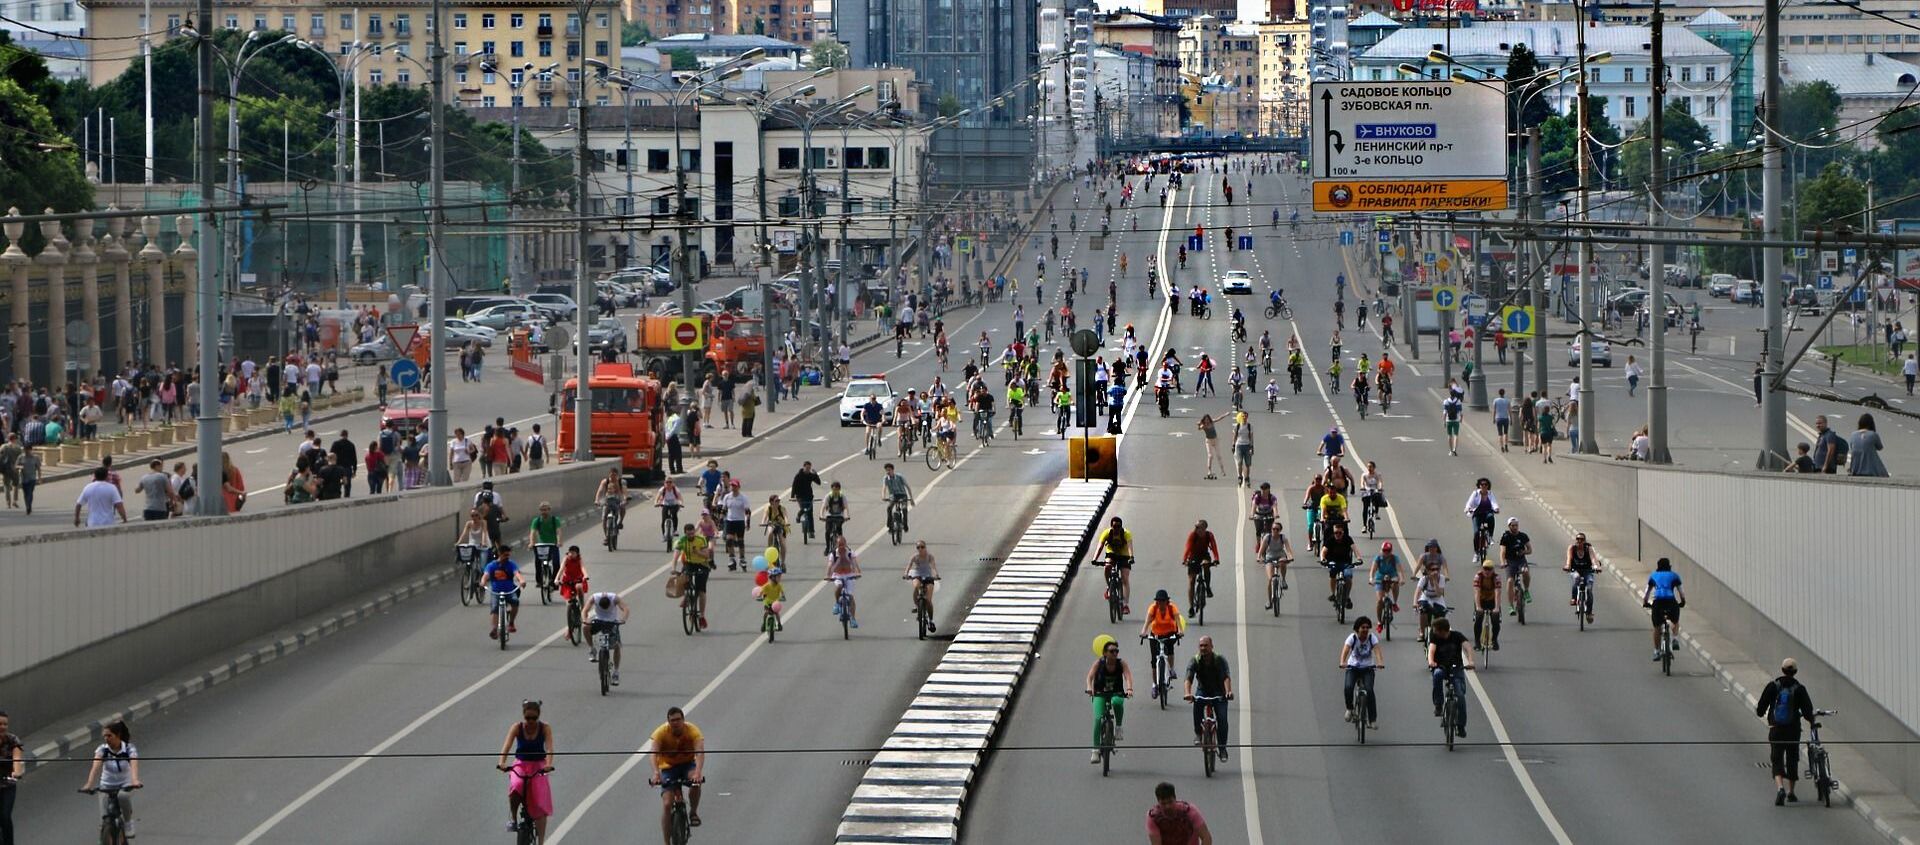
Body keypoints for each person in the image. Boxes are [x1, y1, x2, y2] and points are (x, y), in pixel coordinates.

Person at [1757, 658, 1817, 806]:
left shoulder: (1773, 686)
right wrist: (1812, 722)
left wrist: (1767, 714)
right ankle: (1791, 792)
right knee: (1792, 758)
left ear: (1782, 670)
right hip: (1793, 729)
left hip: (1776, 728)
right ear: (1795, 672)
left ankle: (1780, 788)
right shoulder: (1799, 688)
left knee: (1776, 758)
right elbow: (1808, 711)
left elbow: (1760, 709)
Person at [496, 700, 555, 841]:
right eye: (528, 718)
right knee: (516, 786)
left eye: (534, 718)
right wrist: (502, 763)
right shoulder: (517, 728)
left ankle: (541, 841)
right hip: (521, 765)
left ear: (538, 717)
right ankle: (514, 819)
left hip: (539, 766)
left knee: (541, 803)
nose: (531, 721)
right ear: (523, 716)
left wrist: (548, 764)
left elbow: (549, 748)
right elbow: (507, 746)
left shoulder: (545, 728)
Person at [649, 707, 706, 835]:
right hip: (668, 768)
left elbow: (700, 752)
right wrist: (656, 773)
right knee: (667, 804)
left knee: (696, 782)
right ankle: (666, 843)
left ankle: (693, 812)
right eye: (672, 720)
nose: (676, 723)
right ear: (668, 722)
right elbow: (653, 754)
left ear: (683, 720)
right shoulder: (661, 733)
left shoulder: (692, 731)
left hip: (687, 765)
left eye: (678, 720)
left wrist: (698, 772)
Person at [79, 719, 140, 840]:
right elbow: (95, 767)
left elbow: (134, 764)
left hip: (126, 784)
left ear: (118, 735)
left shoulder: (129, 749)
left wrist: (134, 781)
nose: (106, 739)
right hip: (106, 785)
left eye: (109, 736)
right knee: (105, 819)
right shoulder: (102, 750)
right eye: (104, 736)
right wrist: (89, 784)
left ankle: (128, 823)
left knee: (123, 797)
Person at [1183, 636, 1234, 760]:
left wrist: (1228, 692)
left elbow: (1226, 677)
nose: (1203, 648)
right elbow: (1188, 678)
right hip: (1203, 690)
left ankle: (1222, 749)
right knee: (1197, 706)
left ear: (1212, 646)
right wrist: (1187, 693)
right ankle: (1199, 734)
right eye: (1201, 646)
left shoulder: (1219, 660)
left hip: (1219, 692)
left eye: (1206, 645)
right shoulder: (1195, 660)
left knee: (1222, 719)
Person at [1085, 638, 1135, 763]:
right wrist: (1089, 688)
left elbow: (1128, 676)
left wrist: (1129, 689)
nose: (1115, 654)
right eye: (1112, 651)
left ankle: (1118, 727)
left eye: (1116, 651)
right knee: (1097, 719)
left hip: (1116, 693)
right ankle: (1095, 751)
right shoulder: (1099, 663)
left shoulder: (1121, 663)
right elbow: (1090, 676)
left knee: (1117, 703)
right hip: (1100, 694)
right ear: (1105, 653)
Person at [1426, 616, 1473, 736]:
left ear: (1442, 630)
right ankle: (1438, 704)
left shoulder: (1457, 636)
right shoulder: (1435, 637)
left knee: (1461, 697)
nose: (1434, 631)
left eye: (1435, 629)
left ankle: (1461, 726)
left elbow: (1467, 647)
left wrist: (1471, 661)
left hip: (1456, 667)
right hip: (1441, 666)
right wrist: (1431, 661)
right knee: (1437, 675)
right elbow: (1431, 650)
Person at [1339, 616, 1385, 727]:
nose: (1365, 630)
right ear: (1357, 629)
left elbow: (1377, 651)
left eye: (1367, 627)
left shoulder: (1371, 638)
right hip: (1353, 667)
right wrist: (1342, 662)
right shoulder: (1352, 638)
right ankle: (1349, 709)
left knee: (1369, 690)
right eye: (1362, 627)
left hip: (1368, 668)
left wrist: (1380, 662)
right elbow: (1345, 650)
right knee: (1348, 687)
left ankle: (1372, 719)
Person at [1640, 557, 1686, 661]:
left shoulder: (1653, 576)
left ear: (1658, 566)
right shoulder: (1674, 576)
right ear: (1669, 566)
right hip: (1670, 601)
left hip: (1658, 603)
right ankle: (1674, 639)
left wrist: (1645, 602)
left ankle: (1656, 651)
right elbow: (1681, 591)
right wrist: (1682, 601)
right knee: (1675, 620)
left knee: (1657, 627)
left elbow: (1647, 592)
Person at [673, 523, 714, 630]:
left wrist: (698, 552)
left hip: (702, 564)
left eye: (692, 533)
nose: (691, 535)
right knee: (682, 578)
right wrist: (673, 568)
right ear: (685, 533)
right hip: (690, 563)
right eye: (688, 533)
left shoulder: (701, 539)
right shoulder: (682, 540)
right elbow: (676, 555)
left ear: (694, 532)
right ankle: (687, 597)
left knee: (701, 591)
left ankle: (702, 616)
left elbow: (707, 555)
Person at [1090, 516, 1136, 612]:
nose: (1116, 528)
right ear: (1111, 526)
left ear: (1121, 527)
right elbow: (1100, 547)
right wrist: (1094, 559)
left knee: (1125, 578)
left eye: (1118, 526)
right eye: (1114, 526)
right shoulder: (1107, 533)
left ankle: (1125, 605)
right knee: (1107, 567)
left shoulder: (1126, 534)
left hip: (1124, 554)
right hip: (1111, 553)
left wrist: (1131, 557)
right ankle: (1109, 587)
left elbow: (1130, 546)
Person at [1146, 782, 1213, 845]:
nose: (1167, 806)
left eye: (1170, 802)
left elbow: (1206, 837)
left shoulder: (1190, 812)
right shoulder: (1153, 818)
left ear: (1175, 799)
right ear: (1158, 802)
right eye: (1163, 803)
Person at [585, 591, 630, 684]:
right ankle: (592, 649)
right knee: (585, 628)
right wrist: (585, 620)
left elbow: (625, 608)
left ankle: (616, 672)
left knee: (616, 645)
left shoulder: (614, 598)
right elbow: (584, 610)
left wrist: (623, 619)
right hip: (599, 621)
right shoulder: (594, 598)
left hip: (612, 622)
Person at [483, 546, 526, 638]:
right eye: (505, 555)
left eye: (508, 555)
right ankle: (494, 629)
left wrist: (522, 580)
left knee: (515, 602)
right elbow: (485, 575)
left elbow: (517, 574)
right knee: (495, 608)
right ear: (499, 554)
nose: (507, 557)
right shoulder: (491, 565)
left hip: (509, 591)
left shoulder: (511, 564)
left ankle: (511, 623)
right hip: (496, 592)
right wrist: (482, 582)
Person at [1182, 520, 1220, 614]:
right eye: (1195, 527)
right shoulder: (1193, 535)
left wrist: (1216, 559)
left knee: (1206, 565)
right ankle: (1191, 607)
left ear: (1204, 528)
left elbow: (1214, 548)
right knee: (1191, 581)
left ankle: (1207, 587)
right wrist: (1185, 560)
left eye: (1198, 527)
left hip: (1204, 555)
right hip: (1193, 556)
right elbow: (1188, 548)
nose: (1195, 529)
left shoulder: (1209, 535)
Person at [826, 534, 863, 628]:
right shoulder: (833, 554)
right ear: (836, 545)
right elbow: (830, 565)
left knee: (850, 597)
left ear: (846, 544)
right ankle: (837, 604)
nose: (841, 547)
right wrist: (828, 576)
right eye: (839, 545)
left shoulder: (850, 553)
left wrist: (858, 573)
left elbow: (854, 563)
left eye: (843, 544)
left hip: (849, 574)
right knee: (839, 586)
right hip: (837, 574)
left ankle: (853, 619)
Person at [1256, 518, 1294, 608]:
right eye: (1273, 529)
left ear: (1280, 530)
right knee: (1270, 579)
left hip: (1280, 555)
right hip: (1270, 557)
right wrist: (1259, 558)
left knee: (1283, 562)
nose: (1275, 531)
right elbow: (1261, 550)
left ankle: (1283, 580)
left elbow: (1288, 549)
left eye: (1277, 529)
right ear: (1271, 530)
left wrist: (1290, 557)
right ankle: (1269, 602)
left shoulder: (1283, 537)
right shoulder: (1267, 538)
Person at [904, 540, 940, 631]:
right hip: (917, 574)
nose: (920, 549)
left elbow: (933, 566)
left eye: (922, 547)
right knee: (916, 586)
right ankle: (917, 606)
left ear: (925, 547)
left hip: (928, 575)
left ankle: (931, 620)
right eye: (918, 547)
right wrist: (906, 574)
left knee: (928, 600)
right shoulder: (915, 557)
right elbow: (909, 565)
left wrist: (936, 575)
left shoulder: (930, 557)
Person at [1564, 532, 1600, 622]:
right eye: (1578, 539)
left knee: (1589, 588)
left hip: (1587, 571)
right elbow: (1569, 559)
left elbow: (1593, 559)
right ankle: (1574, 598)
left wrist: (1596, 566)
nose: (1579, 541)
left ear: (1585, 541)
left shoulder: (1588, 548)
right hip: (1575, 570)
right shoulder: (1572, 548)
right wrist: (1567, 566)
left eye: (1582, 539)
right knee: (1576, 578)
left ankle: (1589, 612)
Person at [1497, 517, 1533, 609]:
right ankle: (1511, 605)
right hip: (1510, 561)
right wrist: (1502, 562)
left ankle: (1526, 591)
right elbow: (1502, 551)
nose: (1515, 527)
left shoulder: (1523, 536)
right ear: (1509, 526)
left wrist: (1523, 552)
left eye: (1516, 525)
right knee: (1510, 581)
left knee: (1525, 571)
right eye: (1512, 526)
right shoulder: (1505, 537)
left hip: (1521, 560)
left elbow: (1530, 550)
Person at [1320, 521, 1356, 610]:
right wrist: (1323, 559)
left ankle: (1347, 596)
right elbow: (1323, 551)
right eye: (1336, 532)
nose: (1338, 534)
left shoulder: (1348, 539)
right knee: (1332, 574)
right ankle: (1333, 594)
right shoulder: (1331, 539)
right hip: (1333, 562)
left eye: (1340, 533)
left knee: (1348, 577)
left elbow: (1355, 549)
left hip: (1345, 563)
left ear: (1343, 532)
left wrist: (1359, 558)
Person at [717, 480, 752, 570]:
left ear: (738, 487)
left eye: (735, 486)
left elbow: (747, 511)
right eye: (732, 486)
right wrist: (720, 520)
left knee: (740, 542)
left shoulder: (743, 498)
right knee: (729, 540)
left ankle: (742, 559)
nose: (733, 487)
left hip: (740, 521)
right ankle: (732, 558)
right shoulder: (727, 497)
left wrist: (748, 522)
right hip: (730, 521)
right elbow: (724, 509)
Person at [1470, 559, 1503, 650]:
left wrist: (1496, 608)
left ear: (1493, 570)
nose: (1487, 571)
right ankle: (1477, 642)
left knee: (1495, 619)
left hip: (1492, 600)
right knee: (1479, 618)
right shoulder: (1478, 577)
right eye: (1485, 569)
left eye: (1489, 569)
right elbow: (1477, 592)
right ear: (1482, 569)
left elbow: (1498, 593)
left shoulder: (1496, 577)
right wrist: (1478, 607)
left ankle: (1494, 640)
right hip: (1481, 600)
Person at [1848, 413, 1888, 477]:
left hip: (1855, 468)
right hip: (1870, 468)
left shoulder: (1853, 435)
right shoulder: (1873, 435)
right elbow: (1880, 447)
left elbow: (1851, 447)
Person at [1370, 541, 1401, 624]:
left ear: (1391, 551)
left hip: (1392, 576)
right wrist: (1371, 578)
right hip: (1380, 577)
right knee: (1380, 600)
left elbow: (1399, 570)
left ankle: (1394, 603)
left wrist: (1401, 579)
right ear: (1381, 550)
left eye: (1388, 550)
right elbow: (1373, 570)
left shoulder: (1395, 558)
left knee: (1395, 584)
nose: (1386, 553)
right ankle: (1379, 621)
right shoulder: (1378, 558)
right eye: (1384, 550)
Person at [882, 463, 915, 531]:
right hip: (893, 496)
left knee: (904, 509)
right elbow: (884, 488)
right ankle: (890, 524)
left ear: (893, 470)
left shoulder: (899, 477)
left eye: (889, 470)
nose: (888, 472)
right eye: (886, 470)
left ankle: (905, 524)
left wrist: (911, 499)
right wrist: (883, 496)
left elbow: (907, 487)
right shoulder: (885, 478)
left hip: (902, 495)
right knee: (889, 508)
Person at [1441, 391, 1464, 456]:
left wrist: (1444, 421)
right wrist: (1461, 419)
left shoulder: (1446, 401)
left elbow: (1445, 412)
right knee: (1456, 435)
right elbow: (1461, 412)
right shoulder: (1458, 401)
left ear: (1450, 394)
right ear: (1455, 394)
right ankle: (1455, 450)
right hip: (1456, 420)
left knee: (1449, 435)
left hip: (1449, 420)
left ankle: (1451, 451)